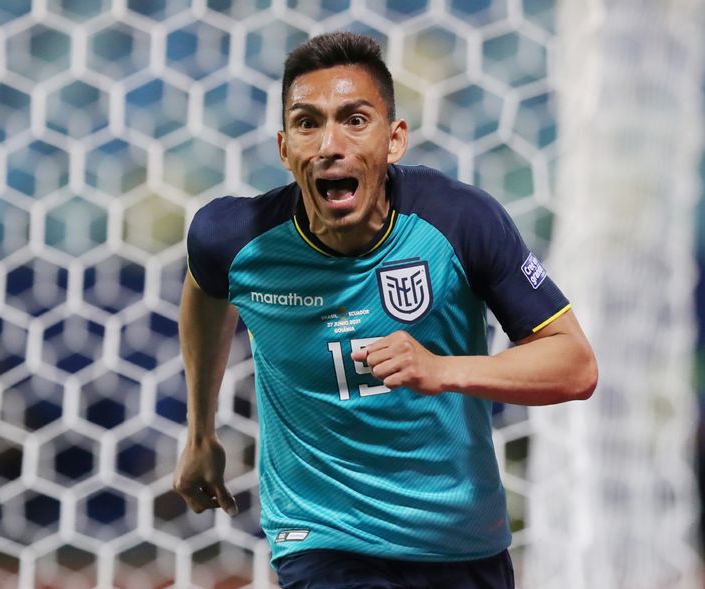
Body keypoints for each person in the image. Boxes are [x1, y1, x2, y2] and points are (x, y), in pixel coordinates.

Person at [173, 31, 597, 589]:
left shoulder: (459, 222)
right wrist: (201, 433)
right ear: (283, 148)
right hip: (322, 538)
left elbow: (575, 365)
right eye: (307, 123)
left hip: (459, 539)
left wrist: (442, 369)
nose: (329, 143)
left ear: (394, 140)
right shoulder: (232, 238)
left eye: (354, 119)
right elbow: (205, 290)